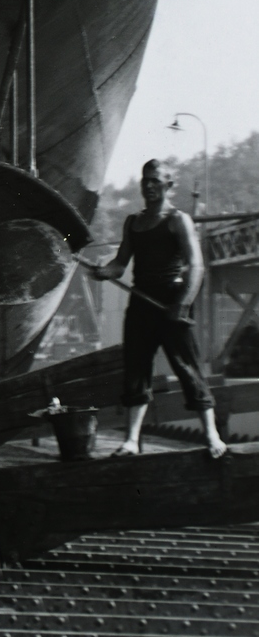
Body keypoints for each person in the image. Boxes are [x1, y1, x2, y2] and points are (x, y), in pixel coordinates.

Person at [93, 158, 226, 458]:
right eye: (145, 180)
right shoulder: (133, 222)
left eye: (155, 180)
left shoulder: (178, 220)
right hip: (141, 303)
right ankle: (131, 441)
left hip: (172, 302)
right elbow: (120, 264)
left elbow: (196, 266)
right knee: (136, 370)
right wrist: (104, 271)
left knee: (187, 367)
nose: (149, 186)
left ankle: (212, 436)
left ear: (169, 185)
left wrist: (183, 304)